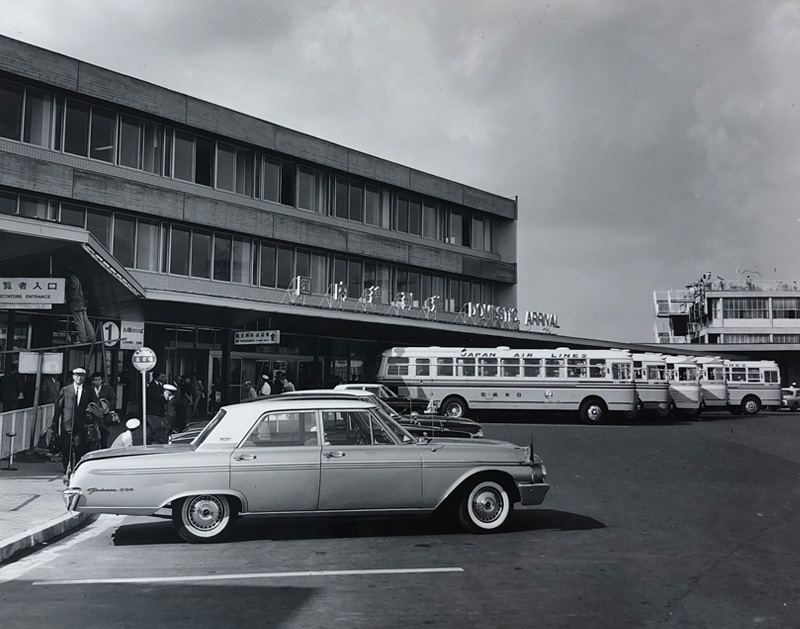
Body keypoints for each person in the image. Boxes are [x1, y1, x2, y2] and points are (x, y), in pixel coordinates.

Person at [50, 367, 99, 473]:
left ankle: (77, 465)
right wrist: (54, 421)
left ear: (85, 378)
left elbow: (94, 404)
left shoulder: (89, 390)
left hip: (82, 423)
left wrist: (90, 412)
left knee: (79, 445)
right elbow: (59, 406)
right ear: (73, 377)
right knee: (66, 445)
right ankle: (66, 466)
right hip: (67, 422)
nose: (79, 378)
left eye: (81, 376)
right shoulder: (66, 390)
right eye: (77, 375)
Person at [66, 268, 95, 344]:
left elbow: (73, 286)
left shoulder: (71, 279)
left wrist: (66, 286)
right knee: (85, 320)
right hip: (82, 301)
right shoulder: (76, 278)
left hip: (76, 302)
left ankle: (82, 339)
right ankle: (92, 336)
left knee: (79, 321)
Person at [91, 372, 117, 448]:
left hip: (104, 416)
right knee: (93, 436)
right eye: (95, 380)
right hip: (94, 416)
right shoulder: (90, 389)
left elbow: (113, 399)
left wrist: (108, 408)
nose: (97, 382)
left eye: (99, 380)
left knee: (104, 437)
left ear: (102, 380)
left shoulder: (108, 389)